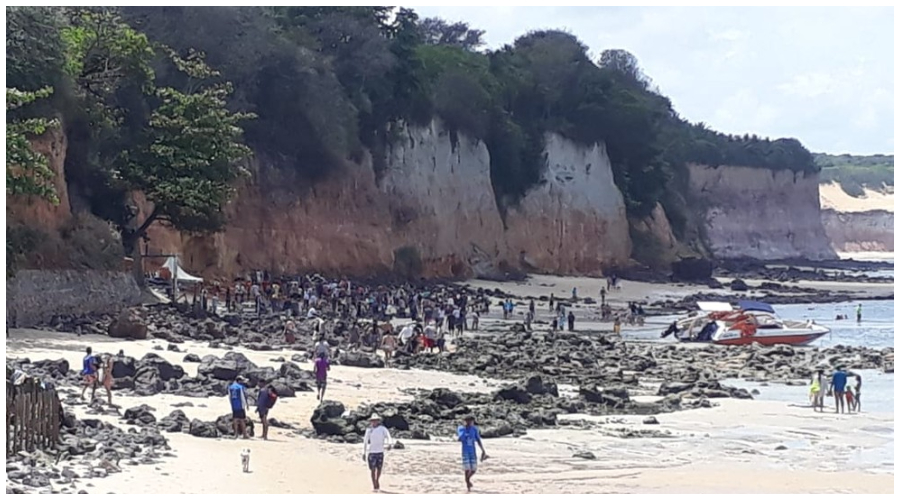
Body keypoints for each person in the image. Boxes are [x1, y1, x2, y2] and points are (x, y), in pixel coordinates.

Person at [362, 413, 392, 492]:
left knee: (379, 469)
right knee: (372, 469)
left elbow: (388, 436)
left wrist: (389, 444)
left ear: (378, 421)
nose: (374, 422)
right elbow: (365, 442)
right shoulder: (369, 430)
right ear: (371, 421)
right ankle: (374, 484)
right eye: (373, 421)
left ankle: (377, 480)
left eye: (375, 420)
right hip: (371, 452)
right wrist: (364, 453)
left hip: (380, 452)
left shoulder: (383, 429)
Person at [457, 415, 487, 492]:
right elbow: (460, 438)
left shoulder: (474, 429)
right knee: (467, 469)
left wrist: (483, 450)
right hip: (465, 451)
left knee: (474, 469)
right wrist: (465, 429)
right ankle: (468, 484)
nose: (470, 423)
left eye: (471, 421)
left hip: (473, 451)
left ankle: (467, 480)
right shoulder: (461, 428)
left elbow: (478, 439)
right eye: (468, 421)